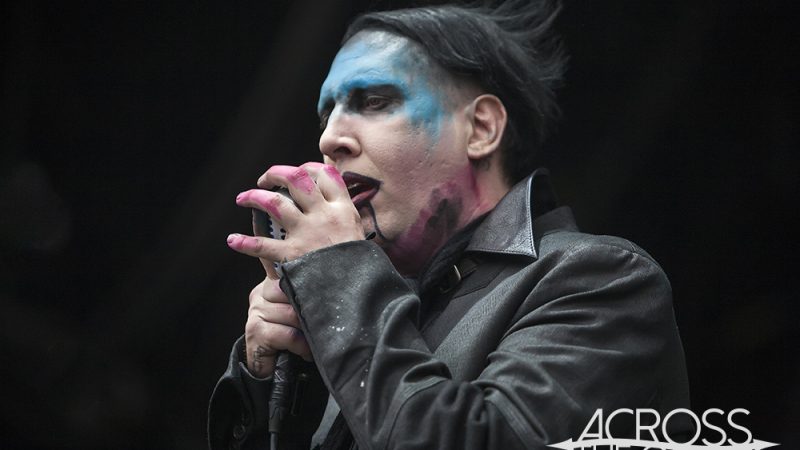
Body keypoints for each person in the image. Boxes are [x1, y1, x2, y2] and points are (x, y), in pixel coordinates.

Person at [208, 2, 691, 449]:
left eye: (373, 101)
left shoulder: (600, 279)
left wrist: (339, 282)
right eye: (326, 116)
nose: (330, 138)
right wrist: (273, 384)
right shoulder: (366, 315)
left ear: (481, 128)